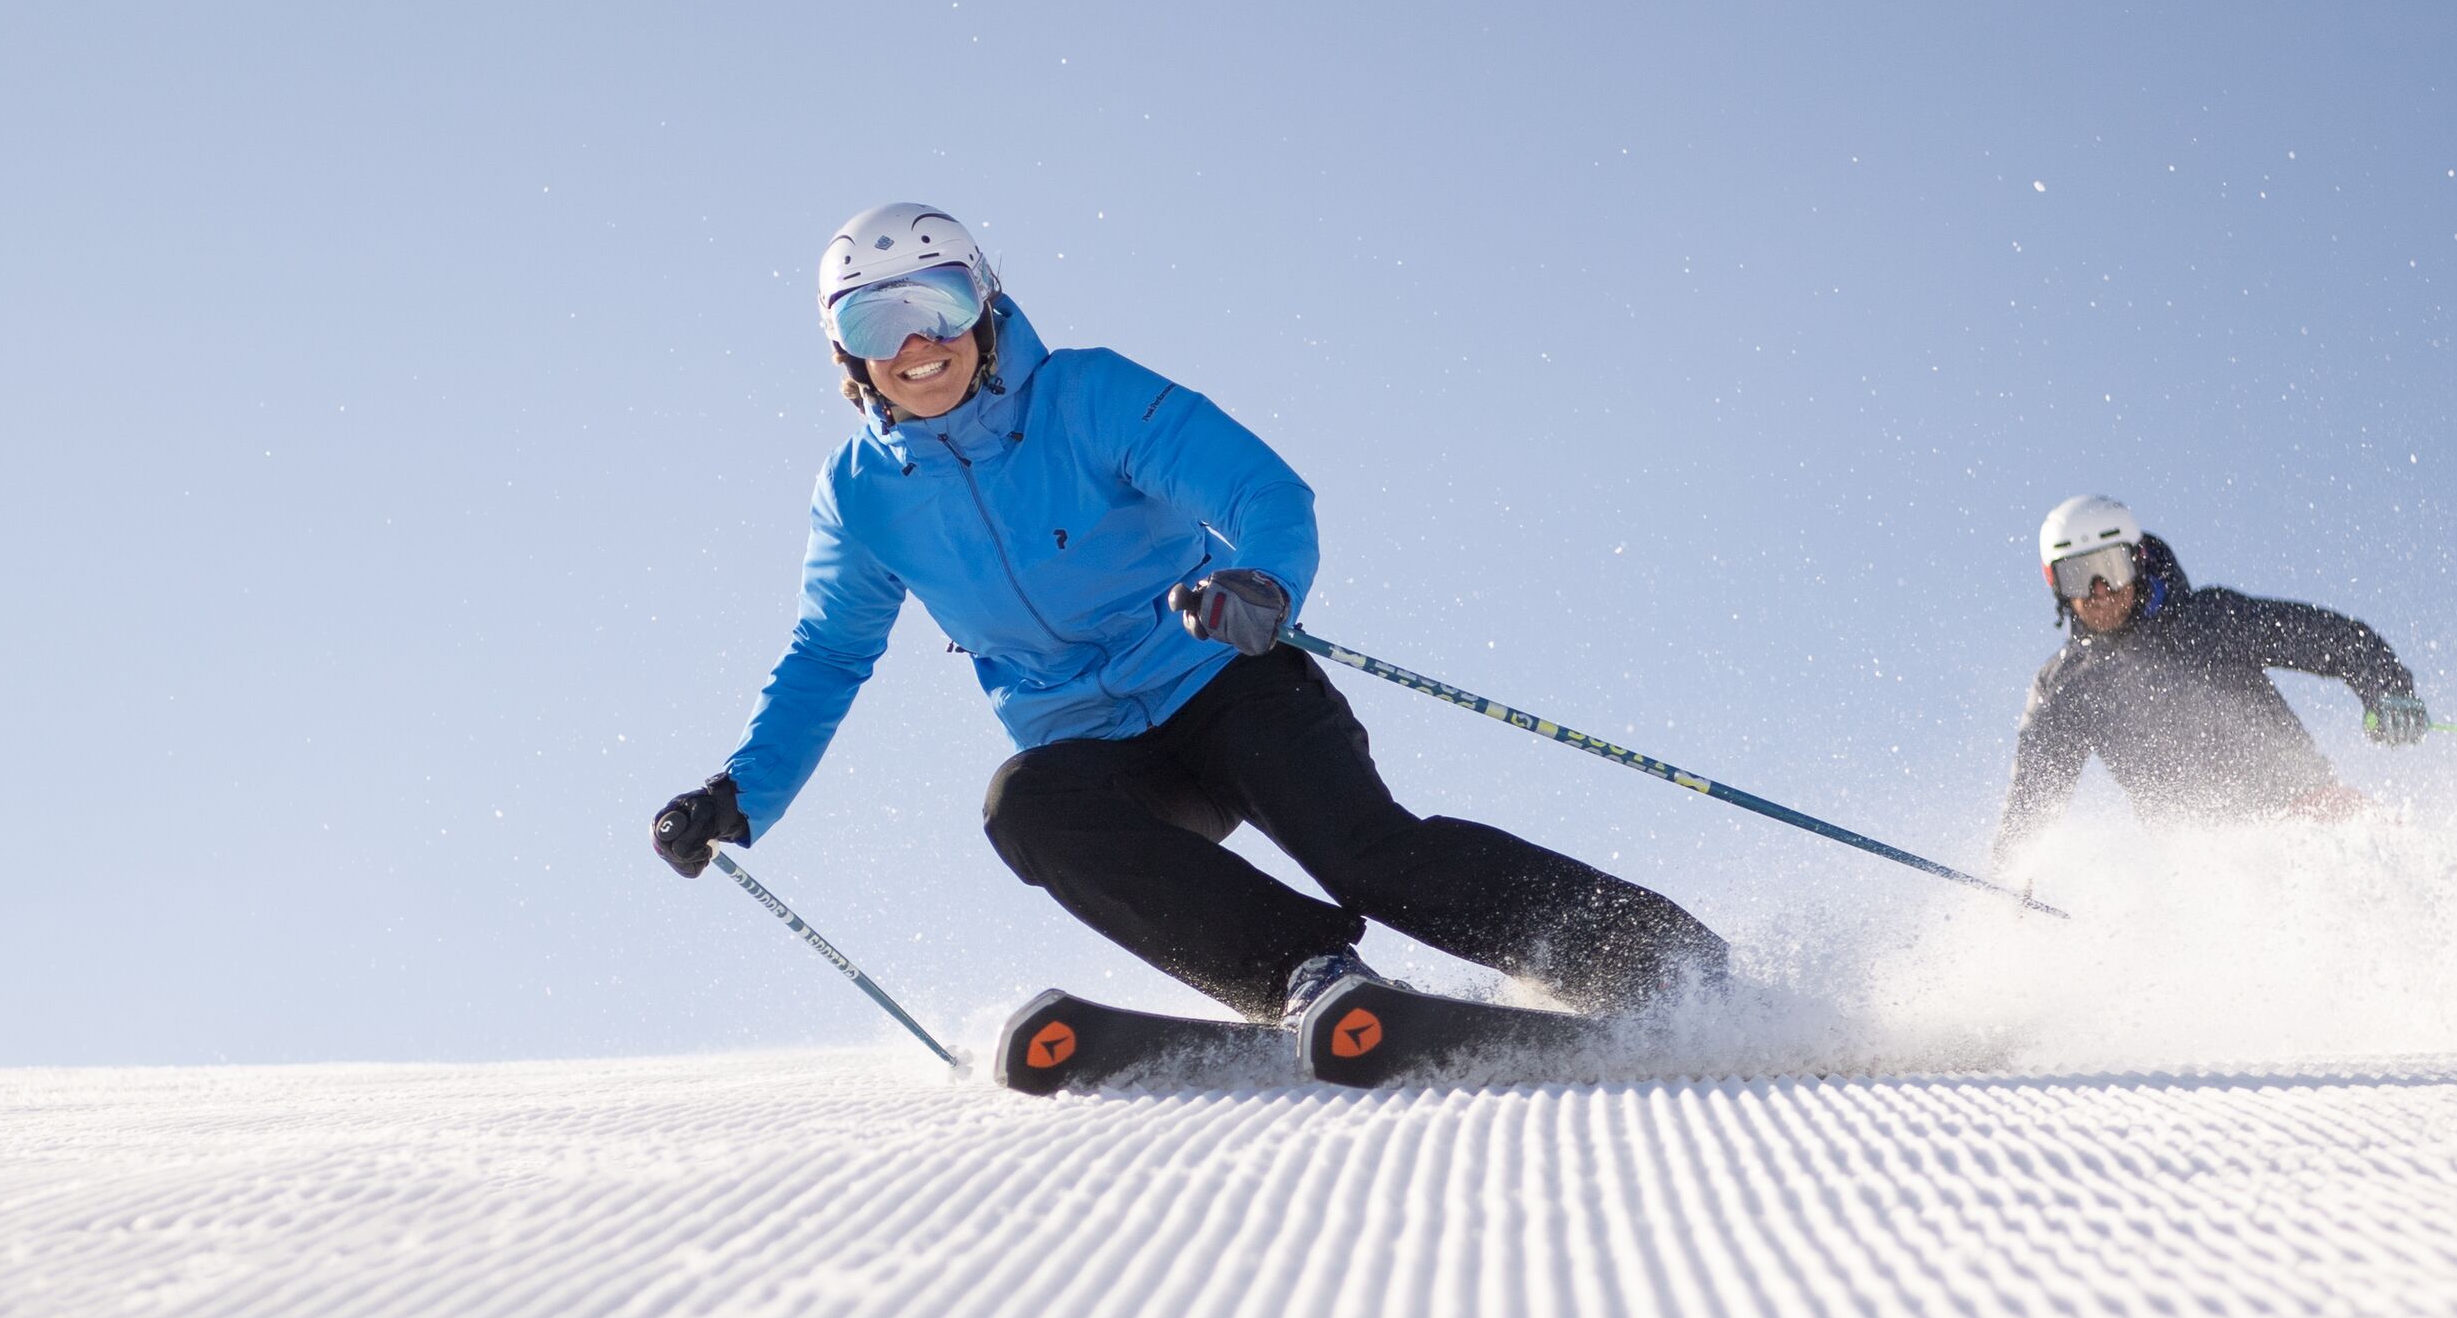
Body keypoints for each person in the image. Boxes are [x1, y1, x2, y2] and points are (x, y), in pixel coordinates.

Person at [653, 202, 1726, 1025]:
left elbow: (1261, 491)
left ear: (982, 304)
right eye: (872, 320)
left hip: (1225, 676)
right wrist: (739, 794)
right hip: (1091, 743)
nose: (914, 343)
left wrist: (1261, 582)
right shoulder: (860, 494)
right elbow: (829, 652)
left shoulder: (1086, 395)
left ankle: (1663, 966)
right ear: (845, 352)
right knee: (1024, 806)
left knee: (1369, 854)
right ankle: (1306, 973)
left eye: (933, 303)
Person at [1992, 492, 2431, 871]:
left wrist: (2388, 690)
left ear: (2137, 561)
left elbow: (2334, 640)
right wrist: (2011, 879)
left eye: (2111, 567)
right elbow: (2033, 798)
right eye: (2079, 576)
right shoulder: (2068, 686)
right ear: (2057, 586)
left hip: (2305, 808)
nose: (2100, 589)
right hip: (2206, 866)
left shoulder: (2211, 621)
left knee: (2365, 852)